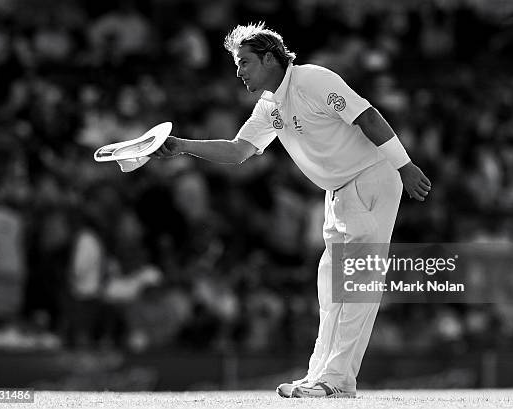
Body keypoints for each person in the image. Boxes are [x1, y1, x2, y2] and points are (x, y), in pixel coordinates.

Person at [152, 22, 431, 398]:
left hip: (372, 178)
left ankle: (336, 382)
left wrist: (405, 165)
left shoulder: (313, 80)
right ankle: (320, 377)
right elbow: (238, 151)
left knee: (356, 285)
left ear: (269, 58)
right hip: (339, 192)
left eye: (245, 62)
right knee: (331, 288)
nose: (239, 72)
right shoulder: (269, 106)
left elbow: (367, 117)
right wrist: (181, 145)